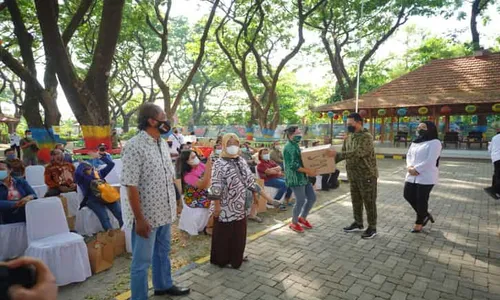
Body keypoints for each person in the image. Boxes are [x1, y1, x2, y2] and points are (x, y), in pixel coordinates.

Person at [121, 103, 190, 299]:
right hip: (146, 217)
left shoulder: (161, 142)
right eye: (163, 116)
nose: (167, 120)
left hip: (164, 212)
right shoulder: (134, 146)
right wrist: (140, 219)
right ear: (152, 121)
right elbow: (130, 186)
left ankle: (163, 285)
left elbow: (168, 177)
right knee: (141, 263)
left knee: (162, 253)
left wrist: (177, 200)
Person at [209, 133, 258, 269]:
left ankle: (236, 257)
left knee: (239, 233)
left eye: (235, 143)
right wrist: (217, 206)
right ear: (224, 145)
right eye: (229, 144)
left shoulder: (241, 160)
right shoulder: (219, 163)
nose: (233, 147)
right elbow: (215, 186)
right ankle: (222, 259)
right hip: (225, 206)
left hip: (240, 205)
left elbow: (250, 180)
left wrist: (256, 195)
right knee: (224, 234)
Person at [328, 113, 378, 239]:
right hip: (353, 175)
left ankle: (372, 227)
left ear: (359, 122)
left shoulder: (366, 137)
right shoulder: (349, 137)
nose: (348, 126)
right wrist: (327, 163)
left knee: (369, 202)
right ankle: (358, 223)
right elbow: (342, 155)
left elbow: (359, 153)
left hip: (366, 175)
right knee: (356, 201)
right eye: (347, 124)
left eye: (350, 124)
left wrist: (337, 153)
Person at [404, 121, 441, 233]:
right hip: (411, 174)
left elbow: (431, 160)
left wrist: (417, 169)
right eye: (419, 127)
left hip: (426, 176)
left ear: (430, 129)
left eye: (423, 127)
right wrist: (409, 167)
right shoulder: (415, 142)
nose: (420, 129)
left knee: (421, 199)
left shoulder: (435, 142)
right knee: (407, 195)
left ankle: (419, 223)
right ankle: (425, 215)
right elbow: (409, 155)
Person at [74, 153, 123, 230]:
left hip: (106, 196)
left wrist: (100, 157)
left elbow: (111, 164)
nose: (89, 167)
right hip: (93, 200)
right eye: (86, 167)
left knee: (120, 214)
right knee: (105, 218)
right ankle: (111, 235)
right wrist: (81, 164)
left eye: (89, 166)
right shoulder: (81, 178)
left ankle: (125, 233)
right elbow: (77, 173)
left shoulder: (99, 174)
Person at [283, 126, 317, 233]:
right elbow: (293, 165)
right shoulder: (289, 147)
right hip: (295, 178)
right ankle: (294, 222)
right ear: (290, 135)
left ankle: (302, 217)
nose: (300, 135)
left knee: (312, 198)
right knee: (301, 200)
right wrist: (308, 171)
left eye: (300, 133)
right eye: (297, 134)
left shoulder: (295, 145)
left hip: (303, 177)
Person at [178, 150, 212, 234]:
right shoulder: (187, 176)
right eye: (193, 157)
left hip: (205, 193)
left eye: (195, 155)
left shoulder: (200, 166)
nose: (196, 158)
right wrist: (208, 168)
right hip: (194, 198)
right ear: (187, 162)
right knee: (216, 202)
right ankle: (208, 227)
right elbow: (204, 185)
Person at [486, 128, 500, 199]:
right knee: (498, 175)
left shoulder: (494, 138)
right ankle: (493, 190)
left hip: (495, 158)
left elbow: (490, 149)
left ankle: (494, 189)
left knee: (496, 174)